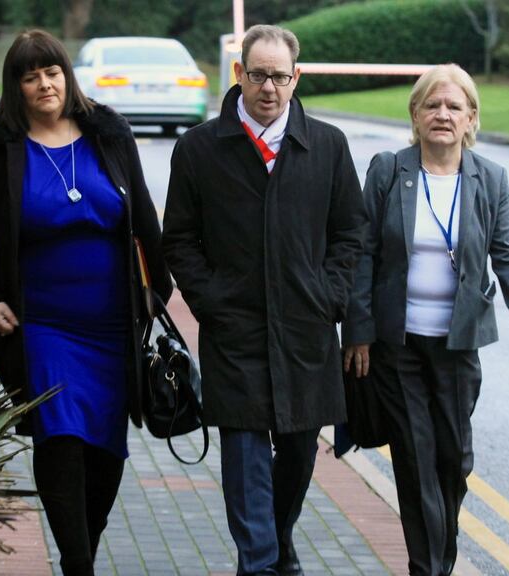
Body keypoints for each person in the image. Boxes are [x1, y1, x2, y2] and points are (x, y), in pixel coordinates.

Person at [0, 29, 172, 575]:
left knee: (106, 453)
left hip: (113, 326)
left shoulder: (107, 135)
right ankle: (77, 563)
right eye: (30, 76)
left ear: (67, 76)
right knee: (61, 436)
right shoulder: (2, 151)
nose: (45, 84)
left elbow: (144, 219)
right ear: (16, 86)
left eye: (52, 72)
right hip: (42, 325)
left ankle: (81, 553)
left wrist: (155, 294)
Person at [162, 24, 366, 576]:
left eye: (280, 76)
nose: (269, 87)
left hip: (306, 330)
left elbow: (351, 231)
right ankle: (260, 563)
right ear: (239, 75)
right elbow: (178, 239)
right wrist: (211, 302)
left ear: (295, 79)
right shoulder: (200, 148)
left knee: (298, 455)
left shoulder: (327, 145)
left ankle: (276, 543)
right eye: (258, 75)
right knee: (246, 458)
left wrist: (329, 296)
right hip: (236, 332)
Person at [342, 64, 509, 576]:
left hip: (458, 345)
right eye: (432, 105)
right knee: (414, 458)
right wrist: (359, 329)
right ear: (415, 113)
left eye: (454, 106)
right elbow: (362, 253)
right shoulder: (389, 170)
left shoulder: (489, 179)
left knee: (453, 463)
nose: (442, 114)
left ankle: (440, 561)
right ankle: (427, 568)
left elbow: (508, 250)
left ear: (471, 117)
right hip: (398, 345)